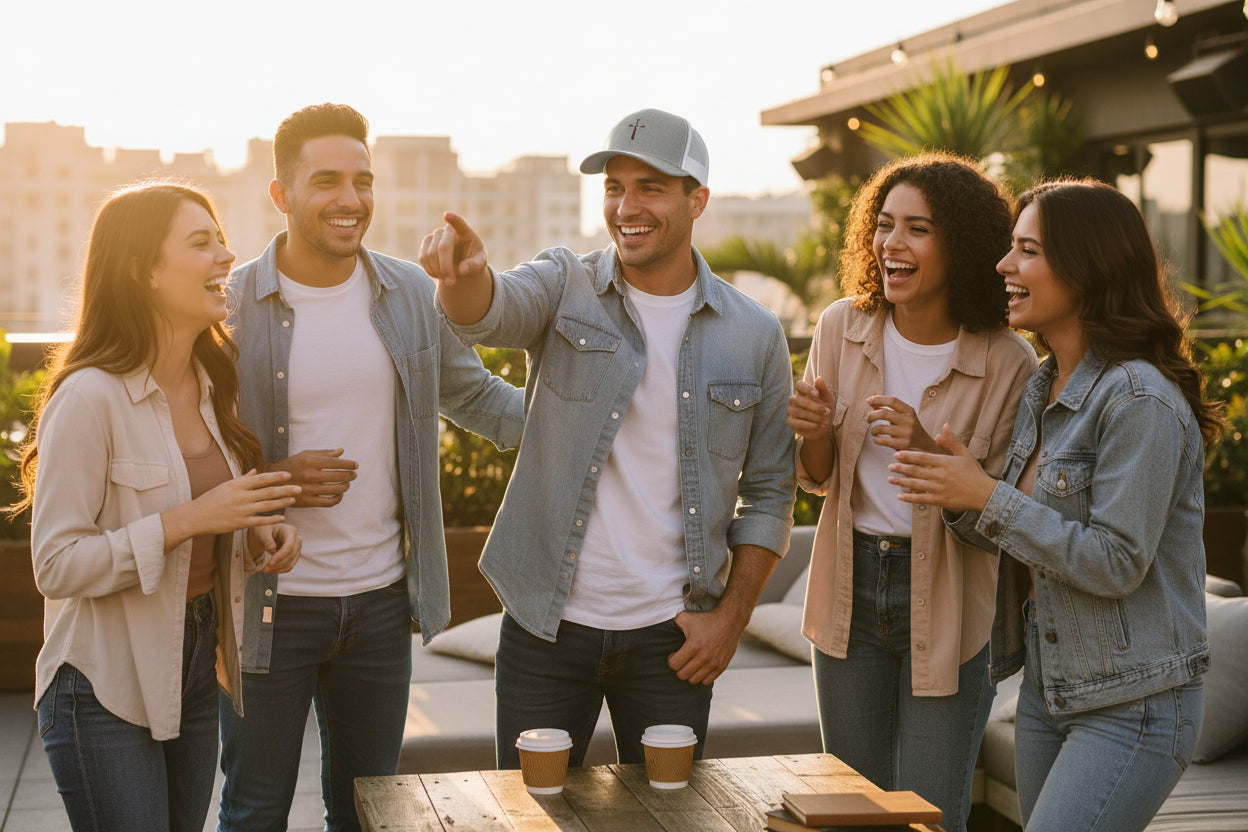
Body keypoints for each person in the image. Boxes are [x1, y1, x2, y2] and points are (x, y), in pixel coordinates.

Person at [420, 108, 796, 768]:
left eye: (650, 187)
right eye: (615, 187)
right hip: (546, 628)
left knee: (672, 816)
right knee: (533, 815)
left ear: (696, 199)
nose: (627, 206)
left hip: (672, 639)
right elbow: (494, 311)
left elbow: (770, 494)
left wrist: (730, 620)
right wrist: (463, 280)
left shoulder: (755, 333)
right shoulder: (565, 282)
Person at [217, 103, 524, 832]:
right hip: (267, 605)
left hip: (381, 606)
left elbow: (474, 395)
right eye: (327, 180)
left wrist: (580, 428)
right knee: (254, 808)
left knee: (368, 811)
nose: (351, 200)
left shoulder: (410, 294)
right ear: (281, 194)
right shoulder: (232, 304)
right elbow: (191, 446)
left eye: (363, 180)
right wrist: (278, 477)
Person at [888, 179, 1223, 831]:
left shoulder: (1139, 401)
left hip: (1138, 701)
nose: (1004, 266)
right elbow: (1031, 538)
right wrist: (956, 491)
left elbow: (1115, 562)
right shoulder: (1045, 385)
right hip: (1050, 691)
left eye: (1027, 250)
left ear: (1087, 266)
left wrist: (986, 494)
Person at [16, 181, 303, 832]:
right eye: (201, 243)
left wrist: (258, 539)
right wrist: (191, 521)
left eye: (221, 239)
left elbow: (203, 520)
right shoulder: (88, 398)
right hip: (101, 683)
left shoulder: (211, 386)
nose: (226, 256)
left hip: (197, 665)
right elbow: (57, 566)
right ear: (142, 270)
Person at [785, 153, 1037, 831]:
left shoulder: (1010, 362)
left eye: (918, 229)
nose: (892, 244)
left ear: (962, 246)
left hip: (953, 600)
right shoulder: (841, 327)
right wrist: (811, 431)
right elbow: (819, 476)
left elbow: (1002, 517)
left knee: (929, 816)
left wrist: (927, 450)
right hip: (849, 585)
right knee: (853, 812)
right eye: (885, 224)